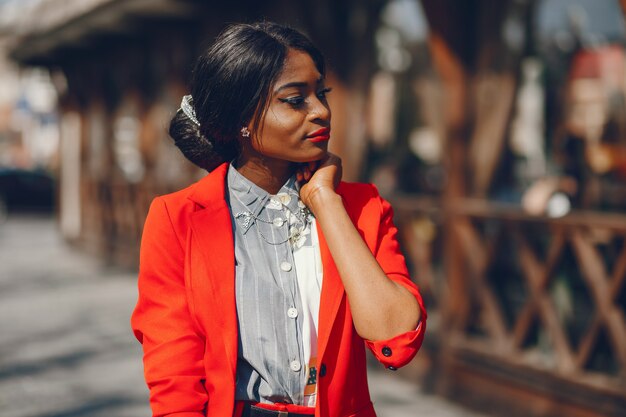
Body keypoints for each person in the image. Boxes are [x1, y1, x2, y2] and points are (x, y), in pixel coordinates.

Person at [131, 21, 426, 417]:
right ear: (242, 120)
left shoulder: (362, 207)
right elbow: (175, 379)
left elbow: (398, 340)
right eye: (295, 100)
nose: (321, 112)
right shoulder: (178, 219)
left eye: (322, 94)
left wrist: (327, 203)